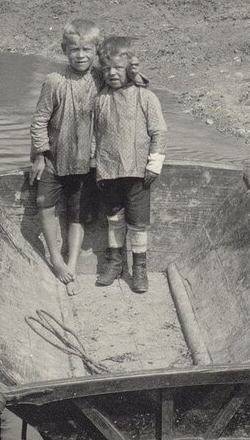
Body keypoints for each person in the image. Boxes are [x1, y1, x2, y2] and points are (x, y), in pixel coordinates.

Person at [88, 36, 166, 295]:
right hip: (109, 170)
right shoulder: (101, 99)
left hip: (138, 172)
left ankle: (139, 268)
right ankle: (114, 263)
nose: (111, 74)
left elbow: (158, 132)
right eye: (107, 68)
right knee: (114, 219)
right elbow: (95, 134)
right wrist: (95, 164)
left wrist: (154, 164)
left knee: (138, 223)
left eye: (118, 69)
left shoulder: (145, 97)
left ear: (130, 69)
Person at [25, 21, 100, 287]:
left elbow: (128, 75)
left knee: (77, 214)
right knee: (45, 206)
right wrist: (39, 155)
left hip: (84, 161)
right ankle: (56, 259)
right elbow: (39, 121)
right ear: (63, 50)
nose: (80, 55)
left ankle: (72, 262)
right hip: (54, 159)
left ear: (96, 50)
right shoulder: (55, 81)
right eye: (74, 50)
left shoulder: (100, 79)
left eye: (87, 50)